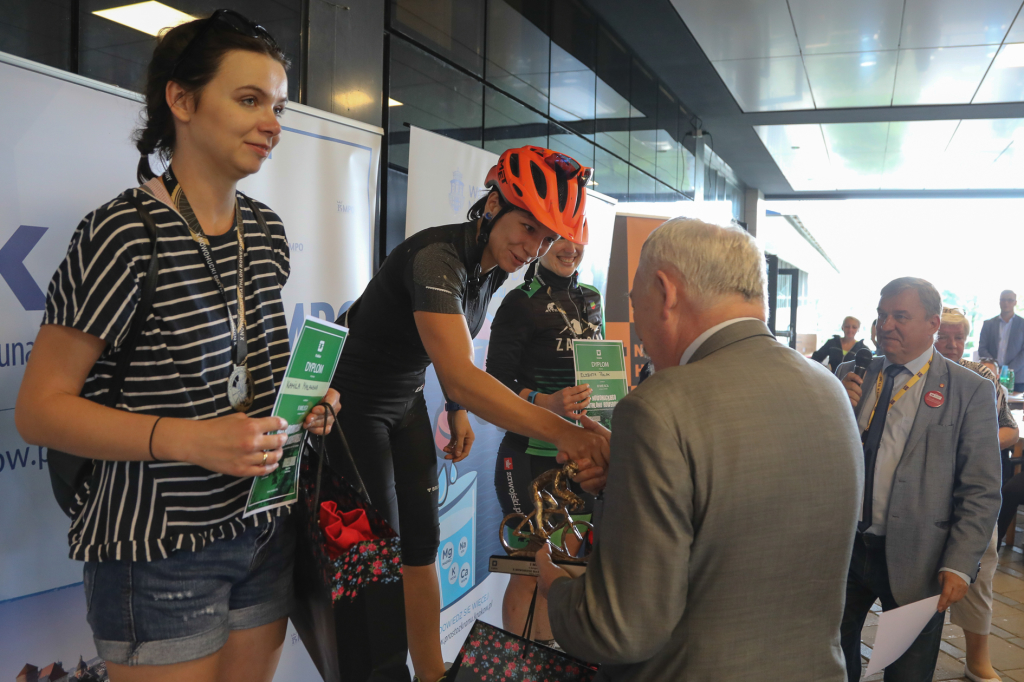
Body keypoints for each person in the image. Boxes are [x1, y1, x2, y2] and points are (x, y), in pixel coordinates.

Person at [14, 11, 340, 682]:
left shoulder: (267, 233)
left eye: (277, 106)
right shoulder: (125, 233)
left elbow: (248, 370)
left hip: (264, 529)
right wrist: (193, 440)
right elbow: (40, 410)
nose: (272, 123)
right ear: (182, 101)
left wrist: (307, 405)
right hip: (155, 549)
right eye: (249, 100)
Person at [535, 218, 863, 681]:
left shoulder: (658, 407)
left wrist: (558, 590)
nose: (640, 333)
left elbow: (620, 630)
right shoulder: (828, 388)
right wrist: (631, 475)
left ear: (665, 291)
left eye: (636, 305)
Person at [328, 146, 609, 682]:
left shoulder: (490, 268)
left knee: (422, 546)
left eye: (546, 239)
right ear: (492, 204)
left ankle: (431, 672)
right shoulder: (438, 258)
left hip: (405, 397)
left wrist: (456, 410)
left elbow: (448, 356)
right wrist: (562, 433)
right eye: (527, 228)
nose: (533, 248)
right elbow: (459, 372)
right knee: (374, 557)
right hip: (354, 405)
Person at [838, 278, 1001, 682]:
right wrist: (835, 408)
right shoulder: (850, 376)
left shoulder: (970, 390)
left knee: (908, 671)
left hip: (920, 558)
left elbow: (980, 490)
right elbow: (818, 461)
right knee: (834, 664)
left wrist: (961, 565)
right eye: (881, 316)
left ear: (931, 323)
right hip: (847, 551)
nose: (885, 325)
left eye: (899, 316)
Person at [485, 236, 603, 643]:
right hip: (529, 458)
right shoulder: (519, 302)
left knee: (567, 567)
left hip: (581, 458)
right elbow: (494, 384)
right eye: (561, 240)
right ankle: (517, 669)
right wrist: (545, 402)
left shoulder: (591, 298)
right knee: (530, 570)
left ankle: (548, 657)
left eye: (579, 240)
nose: (571, 248)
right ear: (542, 240)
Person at [935, 307, 1017, 682]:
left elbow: (1009, 431)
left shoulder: (982, 376)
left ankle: (977, 658)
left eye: (958, 337)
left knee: (979, 573)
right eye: (945, 336)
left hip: (973, 489)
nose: (951, 344)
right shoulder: (918, 372)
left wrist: (971, 442)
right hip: (925, 493)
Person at [979, 290, 1024, 392]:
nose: (1006, 303)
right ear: (999, 302)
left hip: (1017, 378)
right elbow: (982, 348)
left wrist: (1006, 371)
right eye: (1003, 300)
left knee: (1016, 406)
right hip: (991, 376)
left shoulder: (1022, 324)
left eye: (1010, 300)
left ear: (1015, 302)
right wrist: (994, 367)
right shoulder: (988, 324)